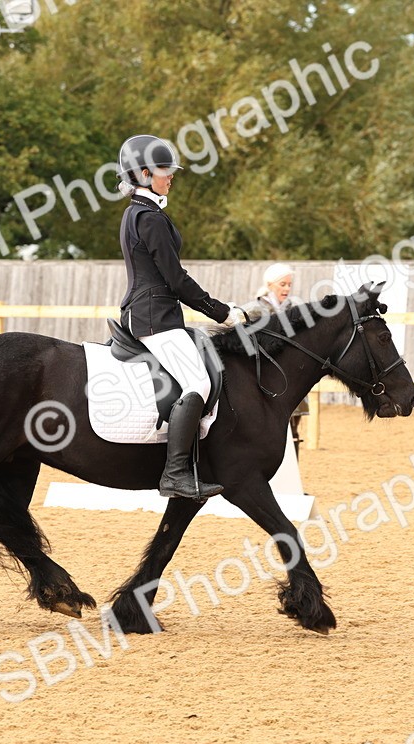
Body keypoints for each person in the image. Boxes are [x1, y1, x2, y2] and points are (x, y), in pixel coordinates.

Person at [117, 134, 232, 499]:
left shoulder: (141, 213)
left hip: (156, 313)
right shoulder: (148, 218)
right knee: (197, 382)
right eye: (166, 171)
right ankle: (176, 474)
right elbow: (176, 279)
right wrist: (222, 312)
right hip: (154, 317)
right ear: (146, 172)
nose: (172, 177)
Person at [252, 263, 310, 453]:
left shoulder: (294, 310)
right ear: (270, 285)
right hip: (267, 376)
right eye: (282, 284)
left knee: (293, 428)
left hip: (292, 376)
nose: (286, 289)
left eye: (289, 285)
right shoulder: (255, 310)